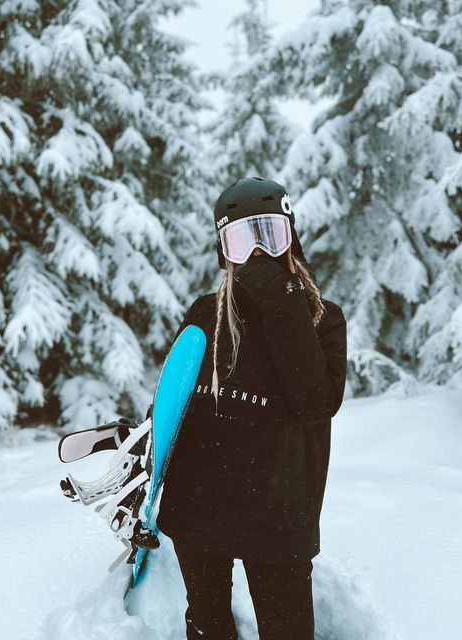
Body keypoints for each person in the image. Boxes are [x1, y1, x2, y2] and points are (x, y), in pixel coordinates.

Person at [156, 177, 347, 639]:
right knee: (207, 628)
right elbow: (174, 400)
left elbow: (315, 402)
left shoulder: (322, 319)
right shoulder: (205, 313)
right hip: (198, 507)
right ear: (225, 251)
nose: (258, 251)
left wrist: (282, 304)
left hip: (278, 515)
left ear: (290, 236)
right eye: (243, 238)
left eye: (269, 233)